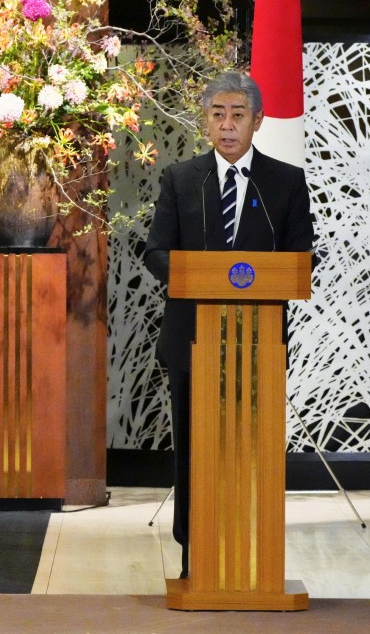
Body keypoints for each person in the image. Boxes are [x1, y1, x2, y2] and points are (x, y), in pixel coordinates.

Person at [142, 70, 314, 579]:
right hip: (193, 338)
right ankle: (196, 554)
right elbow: (155, 252)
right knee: (196, 450)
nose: (227, 125)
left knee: (251, 450)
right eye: (218, 114)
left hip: (257, 343)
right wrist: (198, 275)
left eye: (238, 115)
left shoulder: (285, 181)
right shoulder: (181, 179)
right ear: (206, 121)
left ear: (258, 122)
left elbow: (301, 257)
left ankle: (254, 561)